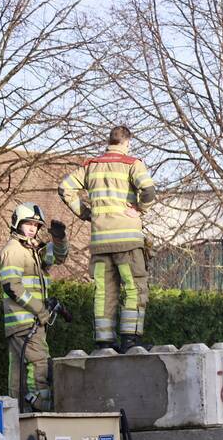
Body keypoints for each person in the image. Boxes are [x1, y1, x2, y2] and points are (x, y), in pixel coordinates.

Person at [58, 125, 156, 351]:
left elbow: (65, 188)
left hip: (100, 242)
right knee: (134, 289)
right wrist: (140, 209)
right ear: (127, 143)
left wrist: (86, 213)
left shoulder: (91, 166)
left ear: (109, 141)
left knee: (104, 292)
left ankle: (104, 342)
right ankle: (130, 341)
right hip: (127, 241)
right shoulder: (132, 164)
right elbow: (149, 191)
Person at [0, 203, 69, 410]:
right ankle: (39, 411)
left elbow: (58, 257)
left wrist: (59, 239)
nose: (32, 228)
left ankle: (18, 412)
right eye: (28, 223)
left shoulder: (33, 251)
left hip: (26, 322)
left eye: (36, 225)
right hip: (27, 320)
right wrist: (41, 310)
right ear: (17, 224)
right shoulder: (14, 250)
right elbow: (12, 286)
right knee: (40, 366)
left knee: (17, 372)